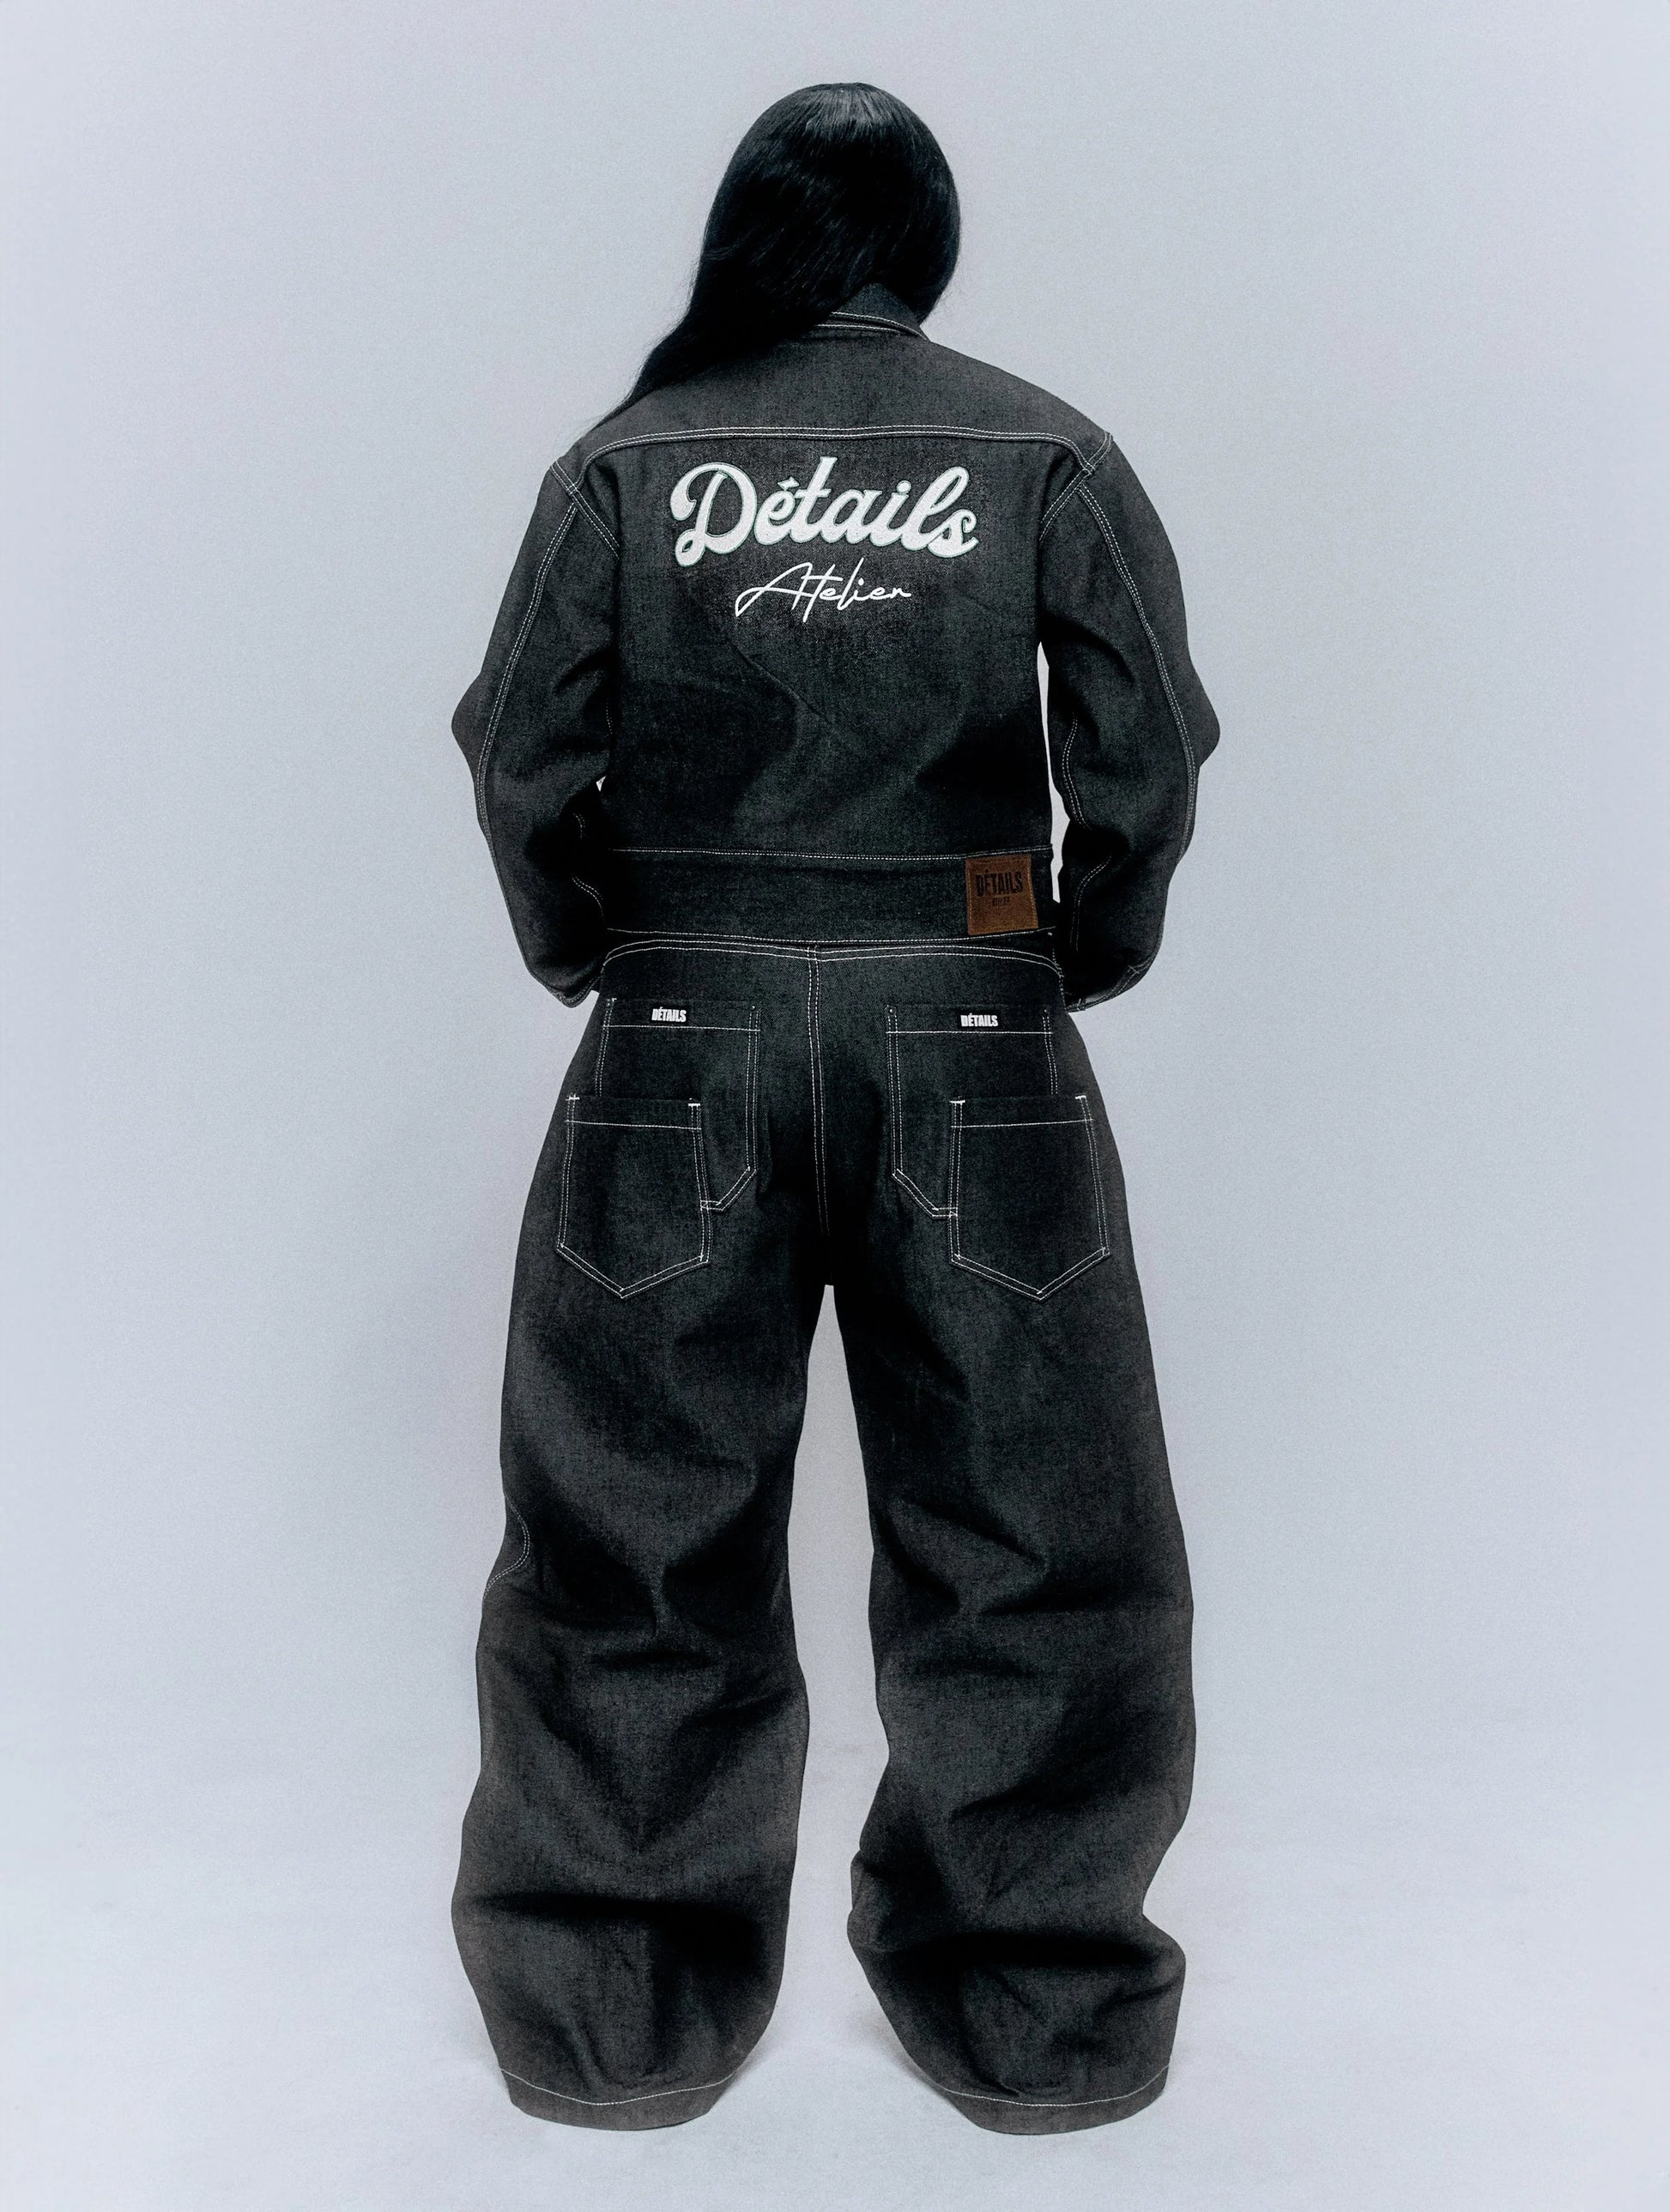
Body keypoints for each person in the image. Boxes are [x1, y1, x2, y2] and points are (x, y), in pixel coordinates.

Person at [447, 82, 1219, 2136]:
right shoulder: (1042, 447)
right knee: (1034, 1526)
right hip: (976, 1033)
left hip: (675, 1033)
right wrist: (1071, 950)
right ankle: (1036, 2005)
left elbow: (516, 751)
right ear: (925, 244)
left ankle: (617, 2006)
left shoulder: (627, 459)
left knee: (632, 1529)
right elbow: (1147, 754)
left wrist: (601, 951)